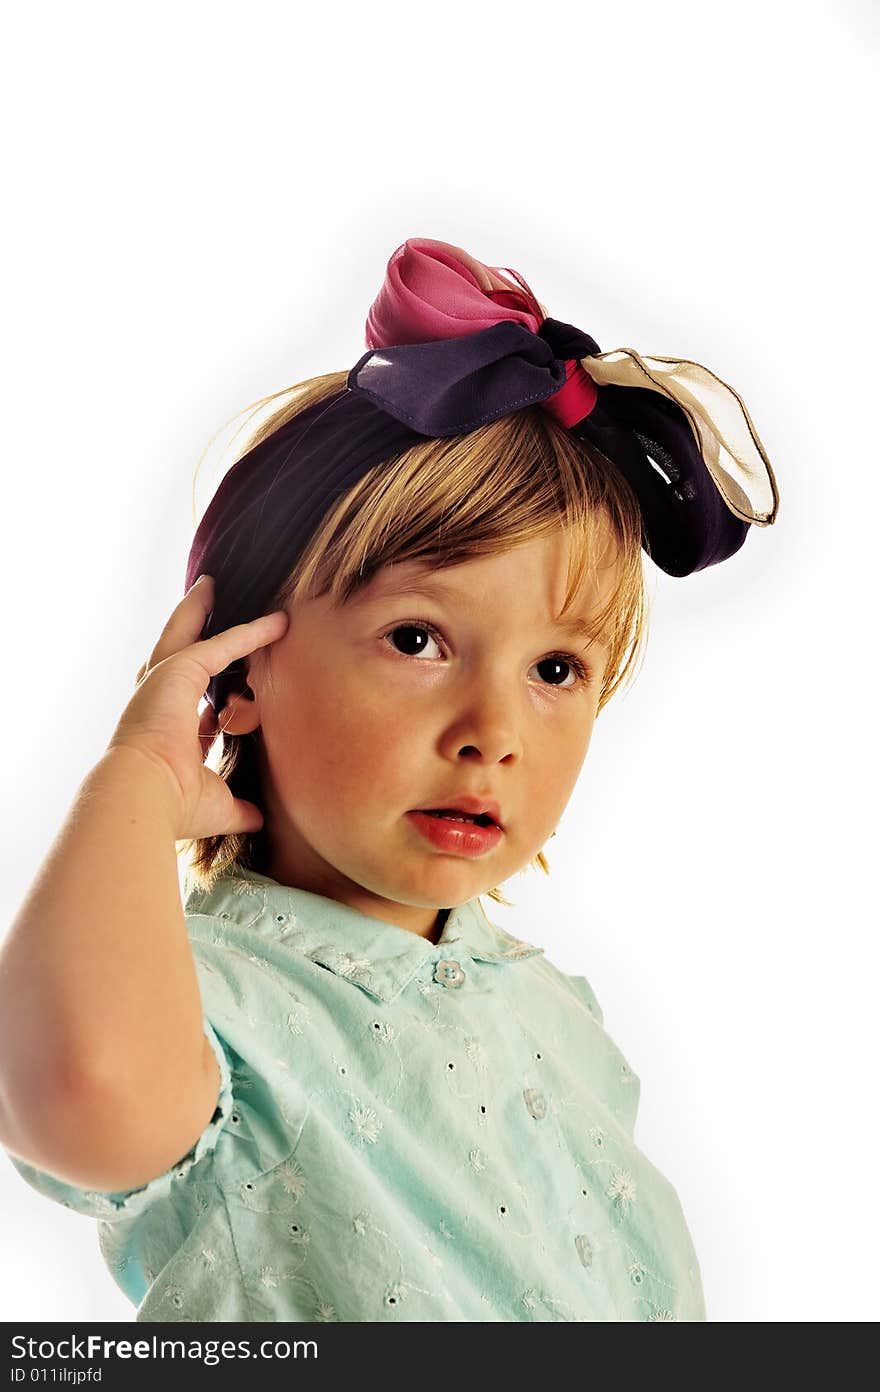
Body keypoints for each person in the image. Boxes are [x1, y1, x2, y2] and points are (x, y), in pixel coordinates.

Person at [0, 238, 779, 1322]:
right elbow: (80, 1092)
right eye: (417, 640)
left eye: (556, 669)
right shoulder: (215, 1010)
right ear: (237, 660)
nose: (493, 731)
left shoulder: (552, 1011)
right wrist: (134, 781)